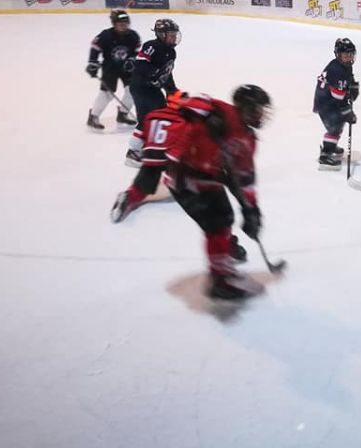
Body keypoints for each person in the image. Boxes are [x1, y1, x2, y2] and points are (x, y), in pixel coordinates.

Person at [166, 86, 272, 300]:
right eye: (258, 109)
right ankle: (219, 279)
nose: (262, 114)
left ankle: (222, 260)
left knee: (223, 219)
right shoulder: (222, 113)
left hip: (208, 176)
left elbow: (245, 177)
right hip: (184, 174)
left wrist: (251, 209)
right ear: (245, 108)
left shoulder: (248, 140)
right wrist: (206, 115)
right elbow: (192, 102)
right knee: (218, 222)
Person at [110, 89, 188, 221]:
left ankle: (129, 196)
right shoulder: (183, 121)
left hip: (150, 156)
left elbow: (140, 133)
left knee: (142, 185)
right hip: (169, 158)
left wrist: (135, 150)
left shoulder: (154, 115)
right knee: (182, 186)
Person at [126, 18, 181, 166]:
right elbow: (141, 65)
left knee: (161, 117)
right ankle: (132, 153)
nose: (174, 37)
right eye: (171, 34)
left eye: (175, 34)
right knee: (147, 119)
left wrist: (171, 90)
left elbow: (167, 73)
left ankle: (152, 147)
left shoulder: (171, 52)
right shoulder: (151, 46)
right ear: (161, 34)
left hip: (153, 90)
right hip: (141, 88)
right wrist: (153, 76)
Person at [86, 9, 141, 130]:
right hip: (110, 67)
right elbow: (95, 47)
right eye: (121, 24)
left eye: (126, 23)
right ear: (114, 24)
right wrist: (92, 62)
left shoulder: (133, 36)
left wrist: (132, 60)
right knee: (107, 93)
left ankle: (123, 114)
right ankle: (93, 116)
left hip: (127, 68)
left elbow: (137, 52)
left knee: (132, 90)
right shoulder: (105, 35)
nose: (124, 26)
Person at [314, 38, 359, 169]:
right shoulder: (336, 70)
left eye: (351, 55)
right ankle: (325, 155)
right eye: (345, 55)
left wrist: (353, 86)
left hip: (331, 100)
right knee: (335, 126)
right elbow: (338, 96)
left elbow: (348, 79)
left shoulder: (345, 65)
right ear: (338, 55)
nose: (349, 58)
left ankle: (331, 146)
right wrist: (347, 112)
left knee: (338, 124)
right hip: (326, 103)